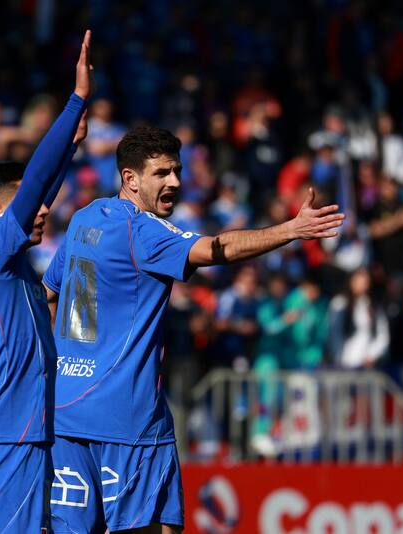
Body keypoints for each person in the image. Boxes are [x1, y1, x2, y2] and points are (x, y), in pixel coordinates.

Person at [43, 125, 343, 533]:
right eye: (162, 173)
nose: (175, 182)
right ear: (130, 179)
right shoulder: (142, 231)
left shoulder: (85, 218)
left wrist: (57, 365)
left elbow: (48, 294)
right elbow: (218, 249)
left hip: (66, 413)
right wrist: (290, 230)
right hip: (127, 418)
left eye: (177, 171)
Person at [0, 31, 91, 532]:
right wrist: (75, 102)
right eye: (27, 206)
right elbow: (34, 185)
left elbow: (38, 190)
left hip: (24, 436)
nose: (44, 211)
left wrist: (71, 147)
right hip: (6, 438)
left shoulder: (12, 266)